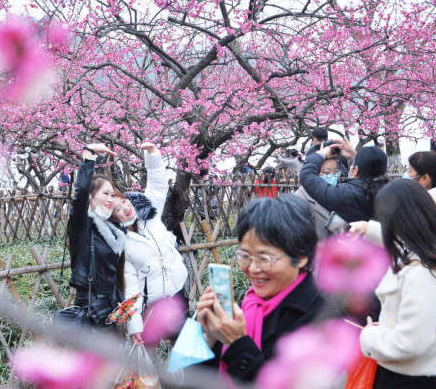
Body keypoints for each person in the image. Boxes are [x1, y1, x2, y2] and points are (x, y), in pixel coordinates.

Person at [351, 151, 436, 388]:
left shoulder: (423, 273)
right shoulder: (425, 255)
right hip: (412, 372)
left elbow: (410, 342)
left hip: (407, 378)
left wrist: (370, 337)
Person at [195, 196, 324, 384]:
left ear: (301, 257)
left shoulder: (323, 318)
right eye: (245, 255)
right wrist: (207, 339)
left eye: (265, 258)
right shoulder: (242, 309)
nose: (253, 268)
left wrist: (238, 344)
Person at [110, 142, 188, 344]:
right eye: (118, 209)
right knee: (150, 359)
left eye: (125, 202)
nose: (126, 209)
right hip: (151, 305)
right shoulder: (123, 244)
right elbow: (130, 286)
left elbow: (158, 184)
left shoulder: (149, 216)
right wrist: (134, 324)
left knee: (186, 349)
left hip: (177, 291)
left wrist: (152, 155)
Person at [67, 143, 125, 328]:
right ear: (91, 197)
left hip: (112, 303)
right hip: (90, 304)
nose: (110, 199)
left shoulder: (112, 229)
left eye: (112, 195)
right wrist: (89, 154)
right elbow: (81, 193)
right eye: (105, 194)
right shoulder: (82, 224)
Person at [300, 140, 388, 222]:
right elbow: (371, 167)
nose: (332, 175)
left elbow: (307, 175)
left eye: (335, 171)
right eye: (326, 172)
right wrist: (357, 157)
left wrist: (320, 154)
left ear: (355, 170)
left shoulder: (345, 194)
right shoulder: (388, 193)